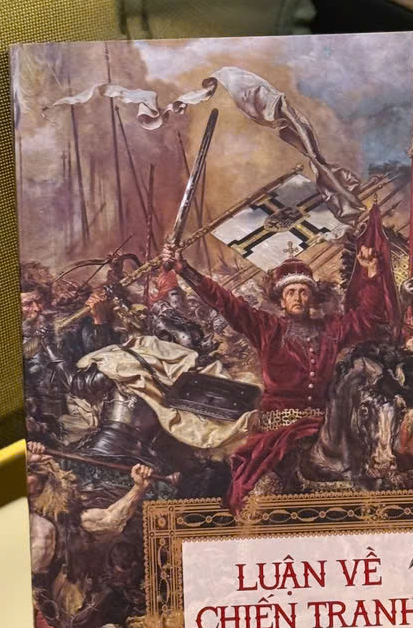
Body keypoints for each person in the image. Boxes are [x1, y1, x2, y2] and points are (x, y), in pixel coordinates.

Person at [159, 205, 398, 513]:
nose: (297, 297)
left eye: (303, 291)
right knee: (260, 495)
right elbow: (226, 303)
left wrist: (372, 273)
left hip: (322, 428)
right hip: (276, 435)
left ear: (311, 297)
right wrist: (184, 270)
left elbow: (370, 318)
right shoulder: (267, 327)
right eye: (291, 292)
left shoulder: (332, 328)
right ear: (281, 300)